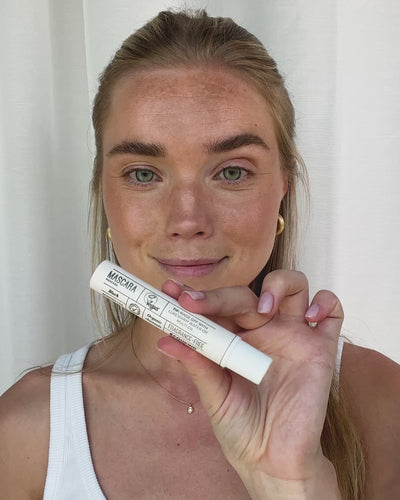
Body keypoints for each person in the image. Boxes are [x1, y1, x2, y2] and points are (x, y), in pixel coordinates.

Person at [0, 9, 399, 500]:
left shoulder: (382, 400)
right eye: (143, 174)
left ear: (283, 189)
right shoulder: (25, 430)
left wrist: (294, 484)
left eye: (231, 172)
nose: (187, 219)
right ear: (104, 194)